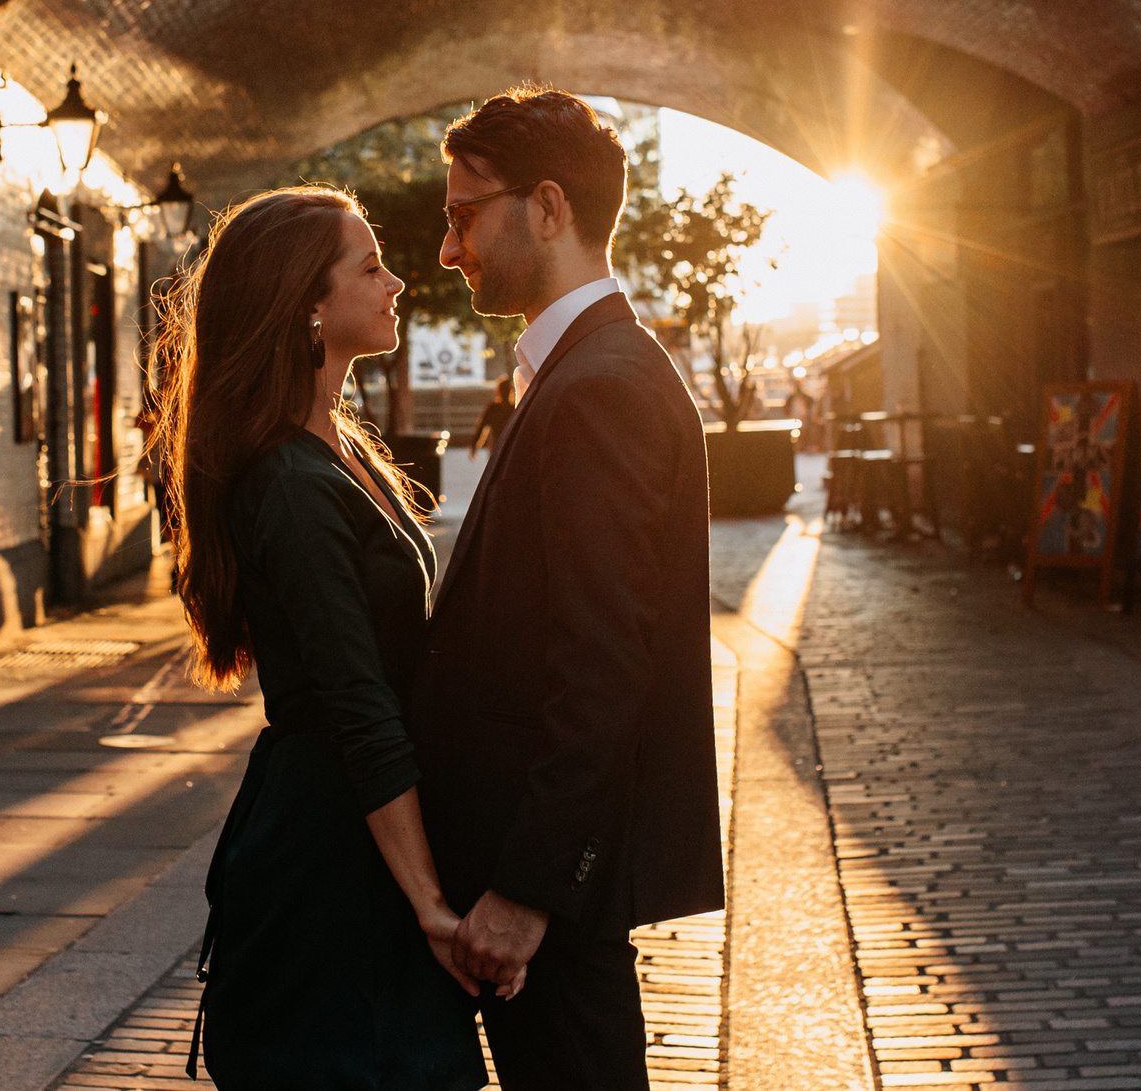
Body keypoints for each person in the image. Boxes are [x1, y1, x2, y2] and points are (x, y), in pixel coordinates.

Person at [413, 87, 723, 1091]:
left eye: (463, 216)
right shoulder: (583, 372)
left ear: (546, 208)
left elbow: (600, 669)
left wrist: (525, 894)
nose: (448, 250)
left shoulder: (601, 388)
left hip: (545, 900)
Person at [146, 189, 486, 1091]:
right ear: (307, 300)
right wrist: (430, 907)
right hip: (335, 862)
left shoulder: (335, 444)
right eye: (370, 265)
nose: (398, 280)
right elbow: (356, 704)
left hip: (361, 831)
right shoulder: (291, 481)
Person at [466, 370, 515, 460]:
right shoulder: (515, 409)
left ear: (497, 391)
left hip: (496, 447)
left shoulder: (492, 409)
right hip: (512, 448)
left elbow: (481, 427)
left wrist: (474, 446)